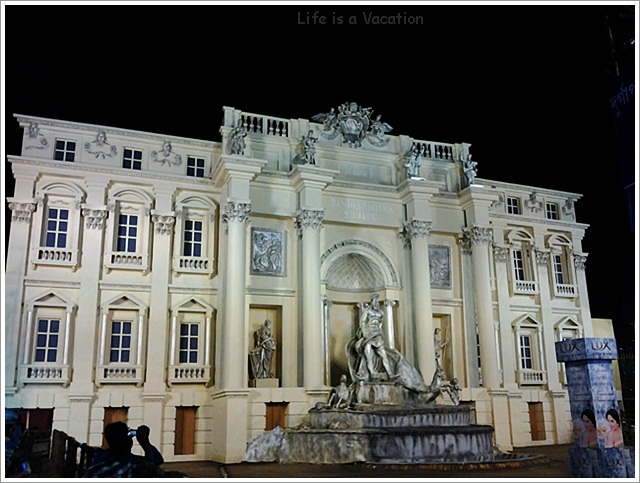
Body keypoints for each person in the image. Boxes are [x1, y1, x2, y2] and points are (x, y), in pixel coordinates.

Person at [84, 422, 164, 477]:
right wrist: (145, 442)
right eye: (127, 435)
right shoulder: (130, 462)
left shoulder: (99, 460)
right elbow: (154, 462)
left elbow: (157, 461)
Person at [353, 294, 394, 381]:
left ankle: (390, 373)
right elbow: (362, 323)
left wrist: (380, 332)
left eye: (377, 302)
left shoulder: (381, 313)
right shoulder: (367, 311)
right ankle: (372, 373)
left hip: (377, 335)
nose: (376, 303)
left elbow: (380, 323)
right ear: (371, 302)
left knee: (384, 355)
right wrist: (365, 333)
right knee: (369, 354)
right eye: (375, 301)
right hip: (368, 335)